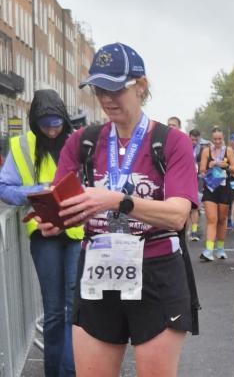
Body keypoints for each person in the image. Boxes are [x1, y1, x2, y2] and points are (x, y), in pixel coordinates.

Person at [38, 42, 199, 377]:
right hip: (98, 267)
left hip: (157, 269)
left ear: (140, 86)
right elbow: (62, 204)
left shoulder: (171, 142)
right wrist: (54, 220)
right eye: (99, 89)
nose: (107, 99)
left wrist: (117, 201)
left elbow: (177, 214)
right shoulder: (81, 141)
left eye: (115, 88)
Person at [0, 89, 82, 377]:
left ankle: (69, 372)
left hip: (75, 232)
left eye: (56, 124)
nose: (51, 130)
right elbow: (4, 188)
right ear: (35, 122)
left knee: (74, 309)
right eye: (45, 124)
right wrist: (36, 191)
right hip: (44, 234)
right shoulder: (21, 145)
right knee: (54, 311)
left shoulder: (77, 142)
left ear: (64, 120)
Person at [198, 127, 234, 261]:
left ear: (223, 138)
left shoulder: (229, 151)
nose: (217, 141)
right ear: (212, 139)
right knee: (212, 219)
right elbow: (201, 169)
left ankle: (220, 249)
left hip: (224, 188)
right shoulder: (206, 151)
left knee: (221, 220)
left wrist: (224, 165)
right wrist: (211, 164)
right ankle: (208, 250)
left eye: (220, 139)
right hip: (210, 187)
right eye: (215, 139)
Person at [188, 128, 205, 241]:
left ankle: (194, 231)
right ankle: (186, 230)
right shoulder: (184, 147)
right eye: (192, 139)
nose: (193, 142)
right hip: (185, 179)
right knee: (186, 207)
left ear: (199, 139)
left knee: (195, 206)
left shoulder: (202, 150)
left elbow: (204, 164)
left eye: (196, 140)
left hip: (197, 180)